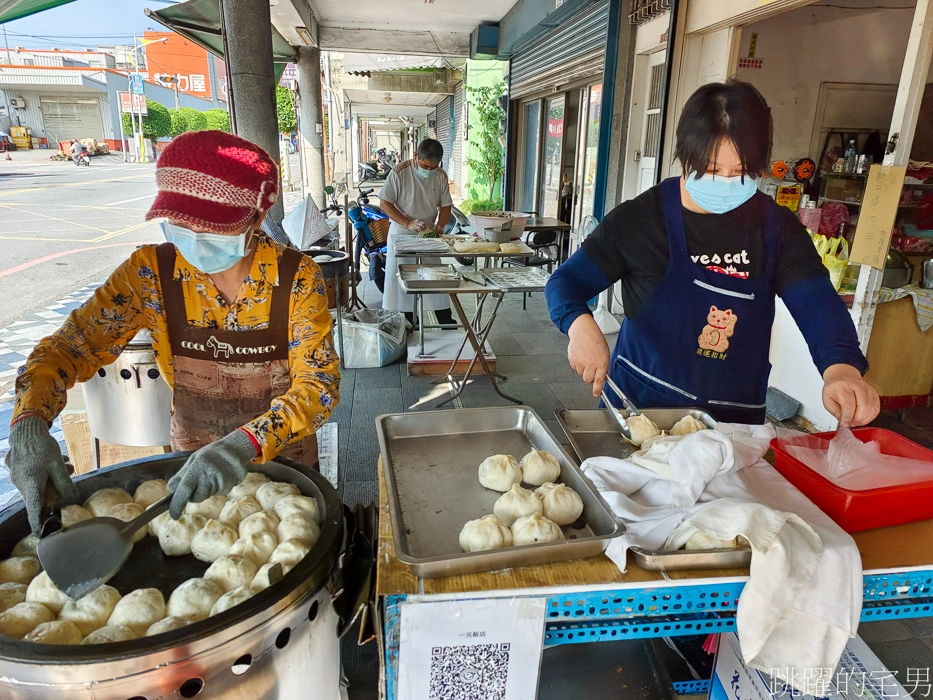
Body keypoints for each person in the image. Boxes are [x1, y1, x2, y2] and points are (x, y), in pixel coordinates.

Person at [6, 130, 340, 532]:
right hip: (189, 468)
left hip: (285, 470)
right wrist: (28, 421)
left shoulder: (296, 279)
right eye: (182, 222)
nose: (194, 236)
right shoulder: (149, 274)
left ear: (257, 214)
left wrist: (244, 443)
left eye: (211, 225)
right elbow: (68, 348)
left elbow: (317, 386)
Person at [546, 80, 879, 427]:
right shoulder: (642, 219)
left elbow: (817, 303)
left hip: (731, 426)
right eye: (712, 169)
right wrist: (579, 326)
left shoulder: (775, 228)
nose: (725, 182)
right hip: (640, 413)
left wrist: (841, 368)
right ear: (685, 156)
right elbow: (565, 282)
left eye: (740, 172)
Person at [379, 138, 456, 326]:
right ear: (416, 157)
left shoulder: (440, 175)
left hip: (429, 233)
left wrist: (441, 225)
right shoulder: (400, 172)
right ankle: (409, 323)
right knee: (404, 279)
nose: (429, 171)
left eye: (433, 167)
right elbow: (385, 203)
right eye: (424, 166)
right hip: (402, 232)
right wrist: (408, 223)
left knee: (436, 277)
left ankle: (445, 321)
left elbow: (446, 206)